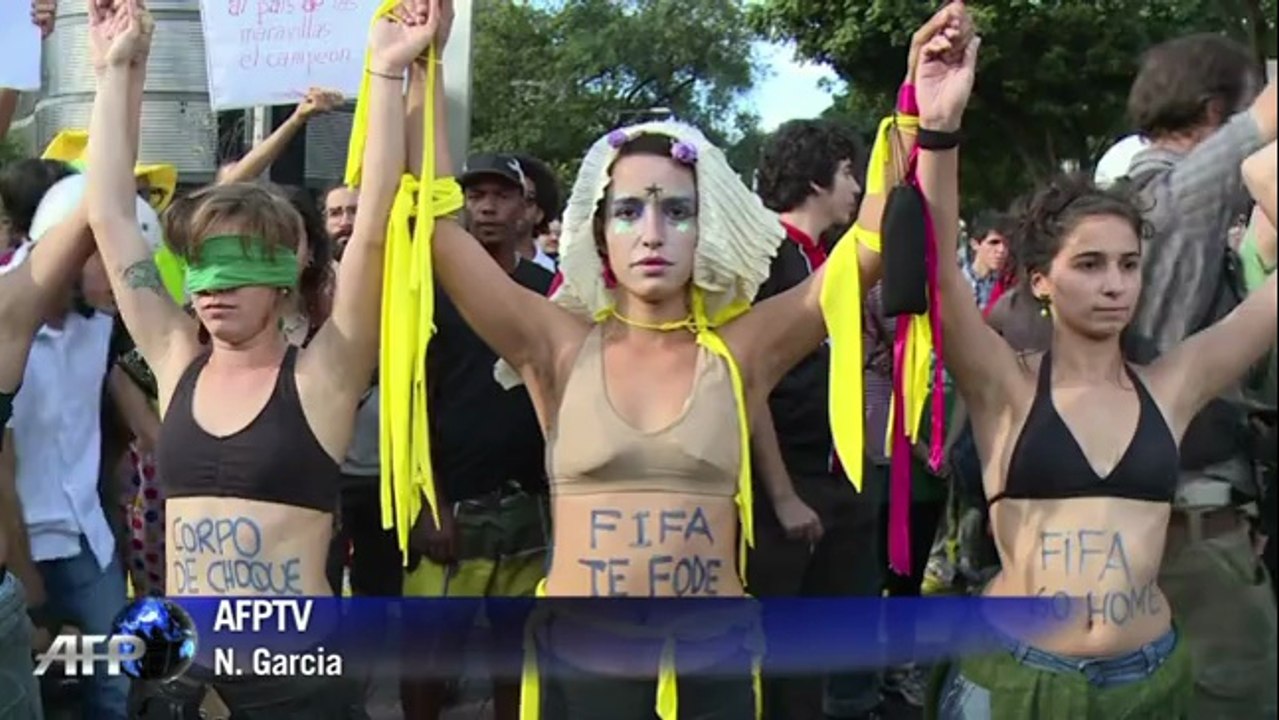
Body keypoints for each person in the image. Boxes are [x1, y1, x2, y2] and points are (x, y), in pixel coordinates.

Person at [430, 103, 886, 717]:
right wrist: (408, 72)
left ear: (708, 229)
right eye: (627, 211)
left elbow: (873, 245)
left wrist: (927, 123)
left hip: (712, 670)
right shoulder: (556, 349)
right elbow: (436, 229)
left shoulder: (740, 352)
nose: (651, 233)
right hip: (581, 672)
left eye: (677, 211)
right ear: (599, 234)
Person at [80, 0, 444, 716]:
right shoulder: (176, 359)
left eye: (240, 267)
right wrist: (118, 70)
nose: (213, 291)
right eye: (202, 268)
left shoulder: (323, 376)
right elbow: (110, 217)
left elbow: (371, 230)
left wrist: (388, 70)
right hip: (184, 677)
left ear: (287, 281)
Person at [914, 10, 1279, 717]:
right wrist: (938, 129)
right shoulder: (1006, 386)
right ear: (1041, 279)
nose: (1113, 283)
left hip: (1150, 678)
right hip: (1023, 677)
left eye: (1127, 265)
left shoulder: (1171, 385)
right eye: (1088, 264)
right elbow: (935, 278)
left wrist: (1262, 172)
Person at [1123, 34, 1279, 718]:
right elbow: (1261, 125)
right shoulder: (1174, 201)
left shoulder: (1118, 206)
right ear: (1213, 111)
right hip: (1188, 530)